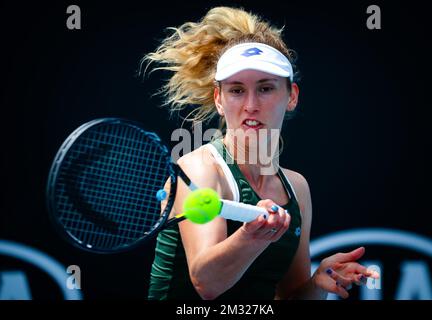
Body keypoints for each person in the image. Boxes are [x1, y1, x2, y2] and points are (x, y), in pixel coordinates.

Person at [143, 6, 378, 300]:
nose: (251, 105)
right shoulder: (199, 170)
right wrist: (252, 236)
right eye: (237, 90)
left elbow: (289, 297)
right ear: (219, 99)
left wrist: (318, 283)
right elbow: (207, 283)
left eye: (265, 88)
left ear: (291, 96)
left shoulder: (297, 189)